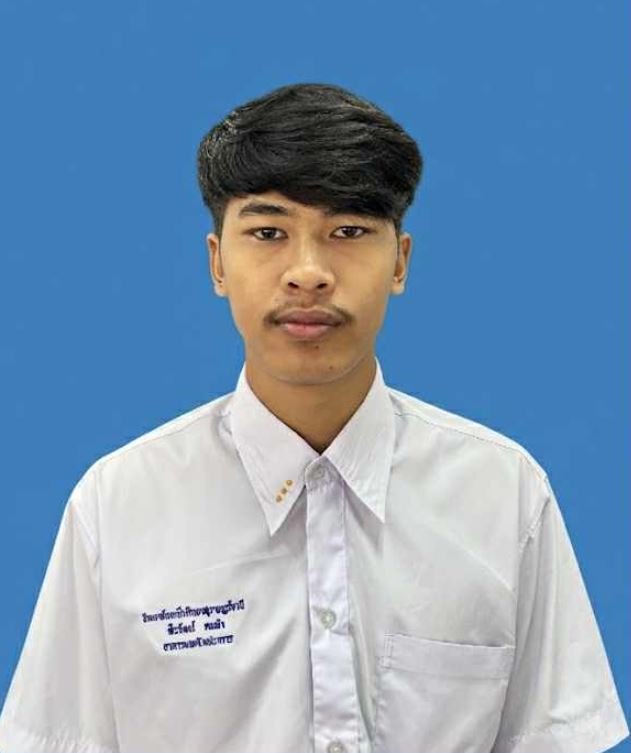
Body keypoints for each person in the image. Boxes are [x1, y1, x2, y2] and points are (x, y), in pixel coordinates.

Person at [0, 81, 627, 753]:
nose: (307, 272)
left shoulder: (503, 494)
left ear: (399, 262)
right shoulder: (117, 505)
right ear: (217, 263)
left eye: (348, 231)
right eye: (268, 232)